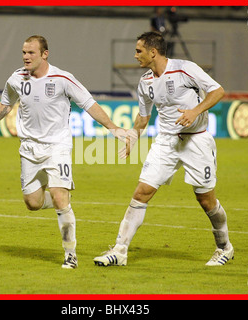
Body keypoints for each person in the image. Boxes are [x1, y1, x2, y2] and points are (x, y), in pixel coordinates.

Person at [0, 35, 128, 269]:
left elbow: (88, 103)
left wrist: (113, 128)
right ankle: (61, 199)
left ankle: (70, 254)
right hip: (28, 148)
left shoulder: (62, 78)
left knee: (58, 196)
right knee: (33, 203)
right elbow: (6, 103)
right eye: (24, 53)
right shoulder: (16, 78)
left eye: (31, 53)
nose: (26, 57)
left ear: (45, 54)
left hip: (58, 146)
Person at [93, 31, 234, 267]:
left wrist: (194, 111)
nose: (135, 55)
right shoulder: (145, 82)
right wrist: (132, 139)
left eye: (139, 51)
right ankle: (120, 250)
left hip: (196, 141)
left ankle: (224, 248)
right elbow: (143, 116)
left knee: (206, 201)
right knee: (141, 192)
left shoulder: (184, 69)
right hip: (166, 142)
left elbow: (218, 91)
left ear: (153, 52)